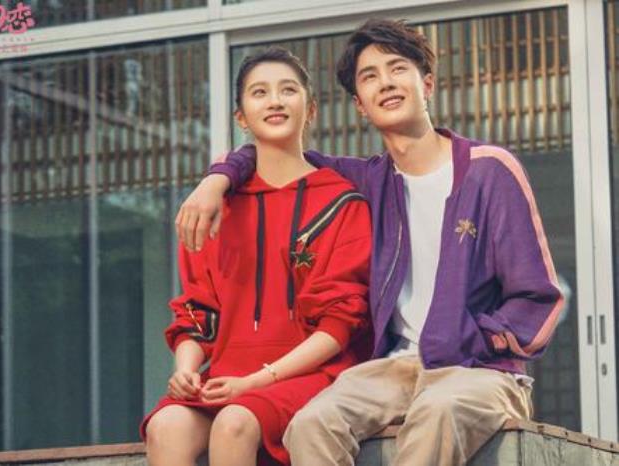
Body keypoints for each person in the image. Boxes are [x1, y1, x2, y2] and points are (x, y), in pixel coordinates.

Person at [176, 19, 563, 466]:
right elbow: (276, 152)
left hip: (480, 373)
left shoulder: (488, 170)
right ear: (360, 105)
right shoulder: (368, 180)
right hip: (393, 369)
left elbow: (538, 297)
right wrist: (216, 179)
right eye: (370, 76)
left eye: (397, 69)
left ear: (427, 84)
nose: (386, 83)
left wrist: (476, 339)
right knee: (310, 424)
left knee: (436, 413)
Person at [141, 47, 372, 466]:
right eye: (259, 92)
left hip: (312, 375)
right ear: (241, 117)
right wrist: (186, 370)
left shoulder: (342, 202)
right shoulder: (213, 207)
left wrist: (257, 381)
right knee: (165, 426)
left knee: (233, 423)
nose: (275, 101)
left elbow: (340, 325)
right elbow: (196, 312)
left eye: (288, 90)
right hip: (226, 376)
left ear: (311, 110)